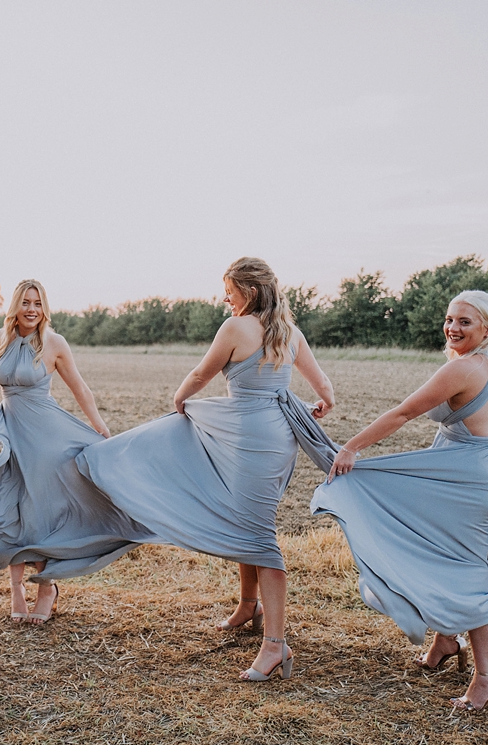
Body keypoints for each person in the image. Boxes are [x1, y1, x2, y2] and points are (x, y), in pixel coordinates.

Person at [77, 257, 337, 681]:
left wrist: (180, 400)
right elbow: (325, 390)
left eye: (229, 290)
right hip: (277, 434)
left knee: (258, 534)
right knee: (244, 519)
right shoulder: (291, 332)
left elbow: (202, 372)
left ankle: (275, 645)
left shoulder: (236, 328)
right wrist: (321, 403)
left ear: (248, 293)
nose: (225, 297)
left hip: (250, 437)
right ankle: (246, 606)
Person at [313, 290, 488, 712]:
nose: (452, 328)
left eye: (465, 321)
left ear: (487, 327)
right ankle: (446, 639)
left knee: (465, 575)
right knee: (434, 555)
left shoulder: (463, 368)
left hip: (461, 485)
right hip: (469, 478)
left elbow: (403, 412)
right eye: (450, 319)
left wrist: (352, 447)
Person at [0, 279, 159, 625]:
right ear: (15, 306)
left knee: (40, 512)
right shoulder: (0, 339)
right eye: (25, 302)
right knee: (12, 511)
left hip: (47, 438)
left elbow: (79, 387)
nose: (31, 309)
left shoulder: (54, 343)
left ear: (45, 307)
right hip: (11, 434)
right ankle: (16, 588)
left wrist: (100, 426)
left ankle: (46, 586)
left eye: (37, 303)